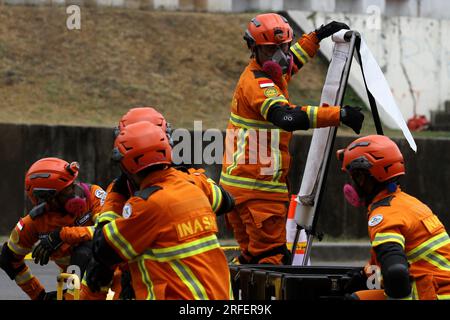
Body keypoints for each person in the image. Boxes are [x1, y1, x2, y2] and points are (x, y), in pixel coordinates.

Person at [220, 13, 365, 265]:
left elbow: (291, 61)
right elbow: (287, 117)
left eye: (284, 47)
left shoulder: (266, 73)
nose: (281, 56)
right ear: (253, 48)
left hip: (241, 188)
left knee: (252, 259)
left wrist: (317, 36)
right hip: (259, 192)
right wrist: (338, 114)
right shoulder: (259, 84)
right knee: (272, 261)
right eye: (271, 50)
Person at [80, 107, 234, 300]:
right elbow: (227, 201)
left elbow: (103, 247)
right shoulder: (192, 183)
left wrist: (117, 194)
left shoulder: (143, 201)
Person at [337, 135, 450, 300]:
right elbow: (387, 260)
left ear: (362, 177)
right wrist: (364, 276)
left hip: (429, 294)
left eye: (353, 176)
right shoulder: (405, 203)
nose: (352, 184)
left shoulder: (384, 215)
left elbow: (396, 272)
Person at [0, 157, 106, 300]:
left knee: (85, 250)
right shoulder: (35, 223)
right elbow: (8, 259)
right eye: (68, 191)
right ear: (48, 198)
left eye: (72, 184)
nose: (76, 192)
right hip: (71, 285)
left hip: (107, 276)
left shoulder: (93, 195)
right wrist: (38, 295)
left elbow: (108, 231)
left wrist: (61, 235)